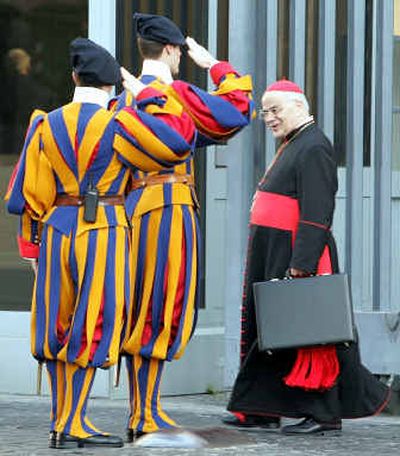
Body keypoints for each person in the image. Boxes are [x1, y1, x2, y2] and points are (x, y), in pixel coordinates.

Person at [5, 37, 195, 449]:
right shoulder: (121, 123)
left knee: (57, 322)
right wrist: (145, 95)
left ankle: (61, 423)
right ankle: (74, 423)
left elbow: (25, 197)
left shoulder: (45, 122)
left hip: (56, 227)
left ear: (74, 77)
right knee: (94, 322)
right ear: (113, 84)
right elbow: (178, 140)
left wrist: (32, 250)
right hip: (104, 227)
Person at [110, 13, 255, 441]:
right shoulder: (176, 93)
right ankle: (146, 413)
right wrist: (214, 64)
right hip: (168, 208)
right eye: (180, 52)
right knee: (161, 306)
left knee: (139, 306)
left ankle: (144, 410)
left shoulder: (124, 98)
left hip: (131, 209)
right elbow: (236, 110)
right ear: (172, 50)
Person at [224, 79, 390, 434]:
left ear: (299, 105)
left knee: (312, 337)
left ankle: (324, 414)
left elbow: (317, 211)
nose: (269, 117)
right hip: (274, 249)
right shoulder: (294, 142)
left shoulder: (314, 146)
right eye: (265, 111)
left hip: (298, 253)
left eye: (275, 109)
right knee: (270, 333)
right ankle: (261, 408)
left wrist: (302, 263)